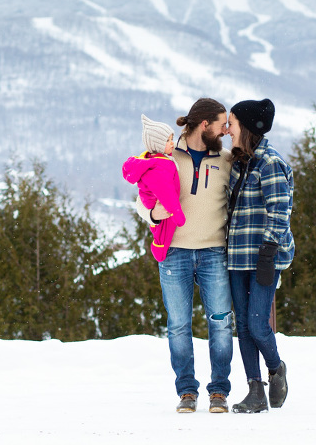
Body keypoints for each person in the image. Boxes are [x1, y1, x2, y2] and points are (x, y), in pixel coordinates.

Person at [134, 98, 233, 413]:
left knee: (220, 322)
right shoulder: (165, 155)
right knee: (178, 324)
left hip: (214, 252)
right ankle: (187, 392)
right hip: (175, 252)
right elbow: (142, 197)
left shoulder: (226, 160)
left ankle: (219, 391)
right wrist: (152, 215)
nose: (225, 131)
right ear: (205, 125)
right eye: (221, 125)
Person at [226, 98, 295, 413]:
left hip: (263, 257)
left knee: (257, 324)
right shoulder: (239, 163)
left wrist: (268, 251)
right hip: (237, 256)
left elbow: (280, 212)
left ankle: (275, 367)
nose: (228, 129)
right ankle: (255, 390)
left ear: (248, 127)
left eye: (232, 123)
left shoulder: (270, 163)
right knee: (243, 325)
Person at [122, 114, 186, 262]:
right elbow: (166, 192)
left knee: (158, 229)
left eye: (172, 139)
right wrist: (177, 214)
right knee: (163, 232)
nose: (172, 143)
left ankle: (159, 247)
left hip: (153, 202)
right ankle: (159, 250)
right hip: (159, 205)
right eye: (168, 140)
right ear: (157, 144)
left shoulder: (154, 161)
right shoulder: (161, 166)